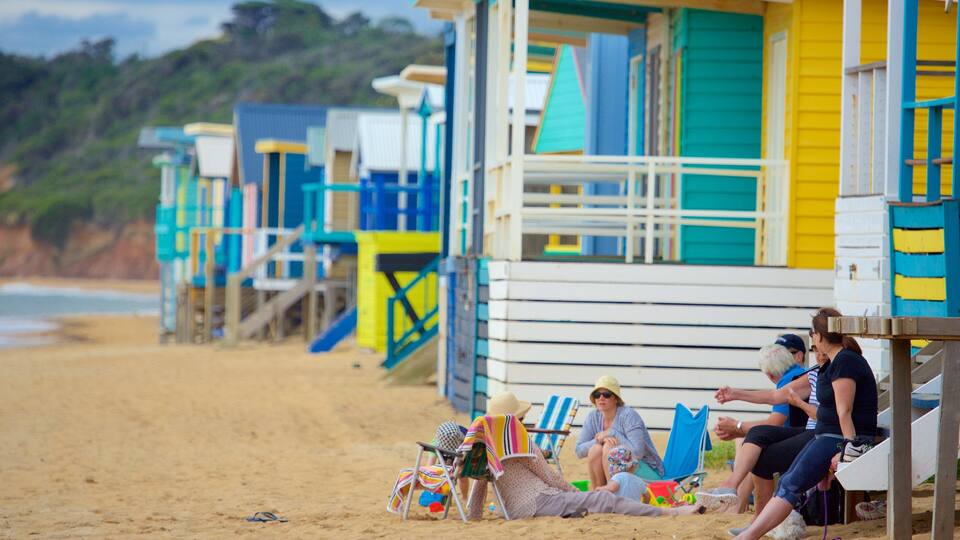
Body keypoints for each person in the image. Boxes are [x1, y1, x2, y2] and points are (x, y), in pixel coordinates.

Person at [735, 308, 878, 540]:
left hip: (836, 438)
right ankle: (751, 532)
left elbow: (844, 410)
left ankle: (749, 536)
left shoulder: (845, 361)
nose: (813, 340)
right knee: (787, 483)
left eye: (812, 335)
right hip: (825, 436)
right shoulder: (832, 363)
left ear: (819, 336)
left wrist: (848, 449)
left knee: (790, 485)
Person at [467, 392, 701, 520]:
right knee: (604, 500)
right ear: (517, 421)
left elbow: (478, 487)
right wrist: (576, 492)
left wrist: (473, 516)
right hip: (541, 501)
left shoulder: (488, 447)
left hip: (515, 509)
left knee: (588, 503)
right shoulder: (520, 442)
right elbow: (550, 476)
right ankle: (670, 512)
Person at [711, 337, 810, 512]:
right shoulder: (802, 374)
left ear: (770, 375)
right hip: (802, 434)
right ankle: (736, 499)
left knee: (753, 445)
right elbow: (773, 402)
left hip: (801, 438)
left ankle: (738, 504)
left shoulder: (790, 381)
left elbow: (775, 422)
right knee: (748, 440)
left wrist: (737, 426)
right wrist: (736, 425)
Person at [575, 375, 664, 488]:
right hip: (624, 472)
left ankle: (613, 496)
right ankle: (599, 497)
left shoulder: (629, 416)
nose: (601, 398)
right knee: (595, 449)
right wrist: (599, 440)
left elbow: (638, 453)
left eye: (606, 394)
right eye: (597, 395)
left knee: (609, 447)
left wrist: (613, 433)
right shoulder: (593, 416)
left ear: (615, 398)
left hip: (649, 472)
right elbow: (579, 451)